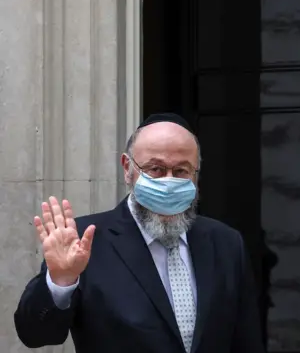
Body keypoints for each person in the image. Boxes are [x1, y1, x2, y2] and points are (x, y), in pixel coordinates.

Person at [14, 113, 264, 353]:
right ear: (127, 168)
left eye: (181, 171)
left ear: (196, 173)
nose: (168, 181)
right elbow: (35, 335)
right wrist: (61, 283)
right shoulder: (84, 241)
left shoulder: (226, 243)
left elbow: (246, 342)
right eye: (155, 169)